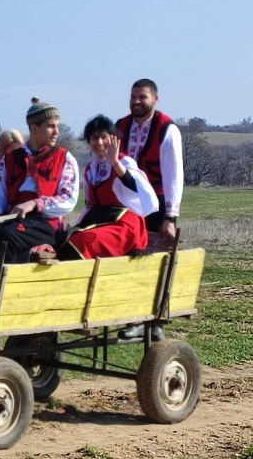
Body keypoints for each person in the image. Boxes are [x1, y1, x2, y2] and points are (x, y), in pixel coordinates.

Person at [0, 98, 78, 270]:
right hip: (13, 219)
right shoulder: (10, 159)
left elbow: (69, 199)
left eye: (57, 126)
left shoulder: (64, 158)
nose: (56, 131)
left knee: (8, 237)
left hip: (45, 223)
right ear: (34, 128)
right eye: (50, 126)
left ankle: (3, 289)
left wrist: (35, 204)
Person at [116, 79, 183, 341]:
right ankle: (133, 318)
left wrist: (170, 216)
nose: (136, 101)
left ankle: (155, 321)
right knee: (130, 259)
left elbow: (173, 175)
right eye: (133, 96)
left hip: (157, 204)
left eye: (142, 97)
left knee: (156, 261)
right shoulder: (120, 127)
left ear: (155, 99)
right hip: (127, 205)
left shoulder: (167, 129)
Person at [58, 115, 158, 260]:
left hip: (125, 225)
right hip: (99, 220)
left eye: (103, 137)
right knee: (65, 239)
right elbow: (89, 205)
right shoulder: (90, 170)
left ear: (113, 139)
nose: (99, 142)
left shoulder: (125, 162)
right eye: (94, 138)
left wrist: (115, 163)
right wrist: (77, 225)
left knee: (83, 240)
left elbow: (138, 189)